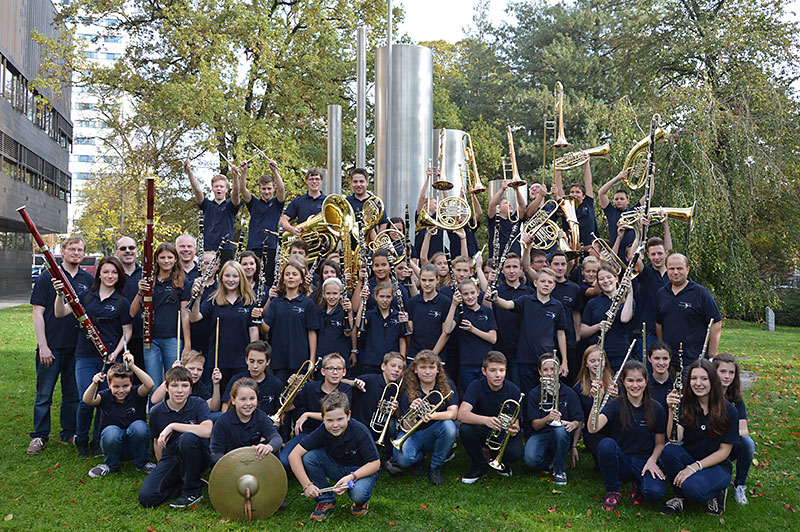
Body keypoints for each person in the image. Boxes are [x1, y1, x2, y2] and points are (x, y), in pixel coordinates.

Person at [53, 256, 132, 458]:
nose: (110, 276)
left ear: (119, 275)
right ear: (99, 274)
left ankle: (97, 440)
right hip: (85, 355)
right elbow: (60, 313)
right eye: (106, 271)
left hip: (109, 357)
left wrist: (116, 353)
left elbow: (127, 330)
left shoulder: (122, 301)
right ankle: (81, 438)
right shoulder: (85, 296)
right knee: (86, 399)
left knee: (103, 400)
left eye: (114, 272)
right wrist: (60, 294)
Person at [27, 236, 92, 455]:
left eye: (80, 250)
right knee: (44, 394)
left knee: (72, 394)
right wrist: (43, 345)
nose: (76, 253)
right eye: (72, 249)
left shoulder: (88, 279)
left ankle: (68, 433)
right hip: (52, 345)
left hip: (78, 347)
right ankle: (39, 435)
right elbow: (38, 313)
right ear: (62, 251)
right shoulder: (49, 277)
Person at [661, 359, 738, 515]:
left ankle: (717, 492)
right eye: (694, 378)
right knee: (669, 450)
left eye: (704, 378)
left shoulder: (729, 410)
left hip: (717, 465)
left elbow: (724, 451)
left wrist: (694, 467)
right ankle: (679, 497)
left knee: (693, 490)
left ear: (713, 381)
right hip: (690, 457)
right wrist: (671, 410)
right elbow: (674, 439)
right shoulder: (686, 404)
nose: (698, 383)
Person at [289, 391, 381, 521]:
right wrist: (307, 485)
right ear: (323, 417)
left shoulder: (360, 431)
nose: (335, 425)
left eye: (340, 419)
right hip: (338, 466)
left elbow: (375, 463)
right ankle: (325, 500)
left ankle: (360, 502)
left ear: (348, 415)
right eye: (330, 420)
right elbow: (294, 455)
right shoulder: (323, 429)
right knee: (310, 457)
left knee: (359, 494)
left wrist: (351, 477)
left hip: (361, 471)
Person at [588, 360, 667, 510]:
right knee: (606, 445)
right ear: (623, 382)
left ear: (646, 382)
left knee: (655, 494)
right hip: (621, 461)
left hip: (644, 462)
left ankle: (637, 483)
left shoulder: (656, 408)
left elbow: (660, 443)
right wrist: (596, 400)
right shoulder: (615, 405)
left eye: (639, 380)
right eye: (630, 380)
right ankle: (613, 490)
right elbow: (593, 428)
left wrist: (653, 460)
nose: (635, 385)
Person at [139, 366, 213, 509]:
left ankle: (193, 491)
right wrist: (162, 469)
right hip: (172, 457)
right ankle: (185, 482)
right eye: (174, 385)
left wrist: (173, 426)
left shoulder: (198, 403)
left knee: (187, 438)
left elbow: (207, 430)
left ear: (190, 388)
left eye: (185, 386)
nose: (180, 390)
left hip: (197, 455)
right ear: (166, 387)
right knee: (147, 498)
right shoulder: (156, 411)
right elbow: (156, 442)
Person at [490, 267, 568, 394]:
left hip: (546, 360)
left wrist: (564, 361)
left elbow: (561, 333)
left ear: (554, 285)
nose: (546, 284)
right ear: (535, 283)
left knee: (547, 394)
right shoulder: (526, 300)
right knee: (526, 394)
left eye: (550, 282)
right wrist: (496, 299)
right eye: (543, 281)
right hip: (525, 359)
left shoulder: (557, 306)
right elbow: (509, 304)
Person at [189, 261, 259, 393]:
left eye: (235, 276)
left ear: (241, 278)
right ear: (221, 278)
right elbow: (194, 318)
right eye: (227, 276)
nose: (231, 280)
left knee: (241, 395)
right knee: (219, 399)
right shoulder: (213, 300)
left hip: (241, 360)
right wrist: (197, 298)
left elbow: (253, 330)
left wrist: (253, 358)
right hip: (218, 359)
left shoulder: (249, 301)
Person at [81, 352, 155, 478]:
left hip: (134, 443)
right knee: (111, 431)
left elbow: (150, 385)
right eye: (116, 386)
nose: (121, 390)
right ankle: (110, 464)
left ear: (131, 384)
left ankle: (142, 462)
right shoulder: (105, 396)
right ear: (109, 385)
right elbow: (88, 400)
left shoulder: (136, 393)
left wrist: (132, 367)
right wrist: (95, 383)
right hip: (112, 444)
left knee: (140, 426)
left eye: (125, 386)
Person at [130, 243, 191, 393]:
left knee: (173, 382)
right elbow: (132, 312)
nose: (166, 261)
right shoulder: (148, 281)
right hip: (150, 339)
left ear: (176, 259)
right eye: (162, 257)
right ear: (156, 259)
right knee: (153, 383)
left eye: (170, 257)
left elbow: (185, 314)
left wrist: (187, 343)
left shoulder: (182, 282)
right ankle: (154, 414)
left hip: (172, 338)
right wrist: (140, 292)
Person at [392, 350, 458, 485]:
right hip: (413, 434)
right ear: (415, 370)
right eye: (423, 367)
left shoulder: (448, 385)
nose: (427, 371)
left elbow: (453, 413)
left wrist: (433, 416)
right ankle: (419, 458)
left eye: (431, 367)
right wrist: (412, 411)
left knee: (450, 427)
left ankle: (435, 467)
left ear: (438, 370)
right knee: (403, 461)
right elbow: (406, 427)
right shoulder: (408, 389)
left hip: (435, 433)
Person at [458, 351, 524, 484]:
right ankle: (479, 464)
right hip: (483, 428)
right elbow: (462, 414)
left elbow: (516, 420)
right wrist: (486, 420)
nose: (498, 375)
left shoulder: (514, 390)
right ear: (484, 371)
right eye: (493, 370)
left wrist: (514, 428)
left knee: (516, 453)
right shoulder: (475, 386)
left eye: (501, 370)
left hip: (502, 432)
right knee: (465, 429)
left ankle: (498, 459)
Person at [279, 353, 353, 468]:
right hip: (309, 433)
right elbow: (288, 407)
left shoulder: (345, 389)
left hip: (333, 434)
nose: (335, 372)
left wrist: (307, 414)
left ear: (344, 372)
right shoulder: (310, 387)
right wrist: (293, 389)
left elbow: (337, 415)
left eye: (339, 369)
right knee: (285, 460)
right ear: (323, 371)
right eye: (330, 368)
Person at [523, 356, 583, 486]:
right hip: (541, 434)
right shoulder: (535, 393)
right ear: (539, 372)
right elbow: (535, 425)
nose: (549, 373)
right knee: (530, 460)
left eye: (553, 369)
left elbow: (578, 420)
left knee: (560, 432)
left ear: (560, 370)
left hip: (562, 434)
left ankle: (560, 470)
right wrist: (547, 418)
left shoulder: (569, 393)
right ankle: (552, 461)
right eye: (545, 370)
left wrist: (573, 426)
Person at [656, 253, 722, 367]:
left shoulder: (701, 293)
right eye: (671, 268)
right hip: (668, 361)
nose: (675, 272)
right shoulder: (661, 293)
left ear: (687, 269)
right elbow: (658, 323)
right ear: (666, 269)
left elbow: (716, 323)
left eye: (679, 268)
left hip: (694, 361)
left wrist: (711, 354)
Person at [259, 260, 319, 383]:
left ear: (302, 279)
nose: (291, 277)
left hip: (300, 360)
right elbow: (266, 329)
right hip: (279, 359)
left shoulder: (308, 303)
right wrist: (258, 319)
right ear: (283, 279)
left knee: (298, 397)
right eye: (287, 274)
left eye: (295, 274)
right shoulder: (276, 302)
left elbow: (312, 332)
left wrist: (312, 360)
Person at [349, 351, 405, 472]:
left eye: (400, 368)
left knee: (391, 423)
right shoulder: (369, 379)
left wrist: (395, 409)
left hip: (378, 428)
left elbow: (400, 417)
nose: (396, 370)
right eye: (393, 366)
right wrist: (354, 383)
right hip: (361, 423)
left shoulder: (397, 389)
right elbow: (343, 381)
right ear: (383, 366)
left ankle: (388, 457)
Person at [209, 377, 283, 467]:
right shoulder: (223, 421)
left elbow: (276, 438)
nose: (248, 403)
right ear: (233, 400)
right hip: (231, 465)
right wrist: (229, 462)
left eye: (252, 398)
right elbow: (215, 452)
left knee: (273, 451)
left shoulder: (260, 416)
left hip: (255, 461)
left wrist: (268, 447)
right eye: (243, 399)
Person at [712, 352, 754, 505]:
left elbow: (743, 431)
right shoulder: (704, 393)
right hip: (706, 444)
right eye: (722, 371)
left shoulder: (736, 398)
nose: (727, 376)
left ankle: (740, 484)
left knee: (748, 443)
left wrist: (727, 438)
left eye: (731, 372)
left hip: (728, 444)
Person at [238, 159, 285, 287]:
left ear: (273, 189)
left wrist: (275, 171)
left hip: (271, 247)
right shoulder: (254, 203)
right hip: (253, 247)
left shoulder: (277, 203)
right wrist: (244, 172)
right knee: (251, 280)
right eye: (264, 189)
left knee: (269, 281)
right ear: (259, 189)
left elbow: (282, 190)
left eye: (269, 189)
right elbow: (243, 190)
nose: (266, 192)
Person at [443, 279, 498, 390]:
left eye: (472, 293)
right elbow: (447, 329)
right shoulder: (460, 312)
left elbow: (493, 338)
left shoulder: (487, 311)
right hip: (466, 364)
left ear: (478, 292)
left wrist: (472, 329)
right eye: (465, 294)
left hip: (486, 363)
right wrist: (454, 305)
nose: (470, 297)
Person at [580, 264, 634, 372]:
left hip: (621, 353)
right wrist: (598, 327)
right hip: (599, 355)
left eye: (609, 277)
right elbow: (582, 331)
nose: (605, 281)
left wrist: (630, 293)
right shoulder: (593, 303)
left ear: (616, 278)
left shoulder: (626, 301)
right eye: (601, 279)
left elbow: (625, 318)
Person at [185, 161, 240, 263]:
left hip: (226, 248)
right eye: (216, 186)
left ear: (226, 189)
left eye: (221, 186)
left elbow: (236, 193)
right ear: (213, 189)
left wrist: (235, 176)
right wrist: (189, 171)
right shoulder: (207, 205)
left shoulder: (230, 206)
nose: (219, 189)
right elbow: (197, 190)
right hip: (208, 248)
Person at [572, 345, 615, 465]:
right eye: (592, 361)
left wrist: (617, 398)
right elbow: (579, 418)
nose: (597, 364)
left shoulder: (615, 384)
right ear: (586, 364)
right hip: (593, 431)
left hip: (614, 427)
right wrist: (574, 446)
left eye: (600, 360)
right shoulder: (579, 388)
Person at [220, 341, 283, 417]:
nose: (255, 366)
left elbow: (281, 411)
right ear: (246, 360)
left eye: (260, 362)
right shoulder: (236, 380)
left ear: (268, 362)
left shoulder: (275, 383)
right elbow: (225, 408)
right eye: (252, 361)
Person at [358, 282, 409, 374]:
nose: (385, 300)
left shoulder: (398, 315)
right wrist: (363, 301)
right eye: (381, 296)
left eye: (388, 297)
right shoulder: (370, 314)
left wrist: (402, 359)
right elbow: (358, 324)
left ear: (392, 298)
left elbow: (402, 340)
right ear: (375, 297)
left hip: (392, 363)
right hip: (372, 362)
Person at [151, 351, 222, 415]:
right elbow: (154, 400)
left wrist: (216, 384)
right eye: (191, 369)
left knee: (217, 415)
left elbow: (214, 408)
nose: (195, 373)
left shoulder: (200, 386)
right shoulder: (173, 384)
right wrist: (173, 374)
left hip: (192, 420)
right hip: (172, 416)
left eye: (199, 370)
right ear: (183, 367)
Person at [549, 252, 583, 386]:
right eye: (556, 264)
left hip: (568, 340)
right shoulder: (545, 284)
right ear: (549, 265)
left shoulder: (574, 288)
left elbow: (576, 312)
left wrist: (578, 334)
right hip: (548, 340)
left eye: (563, 264)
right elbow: (527, 268)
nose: (560, 267)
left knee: (568, 379)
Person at [407, 264, 451, 361]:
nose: (427, 284)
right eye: (423, 280)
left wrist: (433, 354)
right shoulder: (413, 302)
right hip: (414, 355)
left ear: (437, 280)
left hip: (436, 357)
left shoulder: (445, 302)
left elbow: (446, 333)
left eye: (431, 280)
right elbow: (409, 332)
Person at [115, 236, 144, 372]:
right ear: (116, 252)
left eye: (131, 248)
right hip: (118, 337)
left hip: (143, 336)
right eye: (123, 248)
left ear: (137, 250)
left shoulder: (146, 274)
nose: (128, 251)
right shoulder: (112, 275)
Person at [553, 162, 597, 249]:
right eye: (572, 192)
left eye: (577, 192)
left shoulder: (588, 203)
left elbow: (588, 183)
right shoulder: (565, 204)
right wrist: (558, 169)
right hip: (571, 248)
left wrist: (586, 163)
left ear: (584, 196)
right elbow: (559, 188)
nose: (574, 194)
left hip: (590, 249)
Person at [316, 277, 355, 372]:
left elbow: (348, 332)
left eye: (335, 293)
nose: (331, 297)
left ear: (341, 294)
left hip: (339, 359)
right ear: (323, 294)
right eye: (328, 293)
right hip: (322, 359)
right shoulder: (319, 313)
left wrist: (349, 312)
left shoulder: (344, 312)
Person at [598, 170, 636, 249]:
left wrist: (651, 174)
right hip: (616, 253)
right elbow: (601, 193)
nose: (619, 201)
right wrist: (617, 178)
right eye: (616, 199)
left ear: (628, 201)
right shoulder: (611, 212)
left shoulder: (633, 212)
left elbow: (648, 196)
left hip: (631, 253)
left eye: (622, 199)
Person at [281, 168, 326, 234]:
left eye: (317, 179)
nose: (314, 181)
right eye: (311, 179)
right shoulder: (298, 201)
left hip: (325, 242)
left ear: (321, 181)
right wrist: (292, 229)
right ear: (306, 181)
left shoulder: (327, 202)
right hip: (303, 242)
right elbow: (282, 220)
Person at [487, 180, 525, 258]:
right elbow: (492, 205)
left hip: (514, 258)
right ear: (499, 208)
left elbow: (522, 206)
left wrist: (516, 190)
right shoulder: (494, 219)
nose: (510, 204)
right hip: (497, 258)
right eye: (506, 203)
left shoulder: (515, 219)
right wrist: (502, 189)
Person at [346, 168, 388, 238]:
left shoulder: (376, 202)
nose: (358, 184)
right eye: (355, 182)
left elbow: (383, 224)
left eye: (361, 181)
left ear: (367, 182)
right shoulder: (346, 202)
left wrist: (378, 241)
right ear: (351, 183)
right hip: (351, 246)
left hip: (371, 244)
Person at [647, 341, 674, 412]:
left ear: (670, 359)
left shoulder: (679, 383)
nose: (661, 363)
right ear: (649, 358)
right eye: (657, 358)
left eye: (665, 358)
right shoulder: (644, 384)